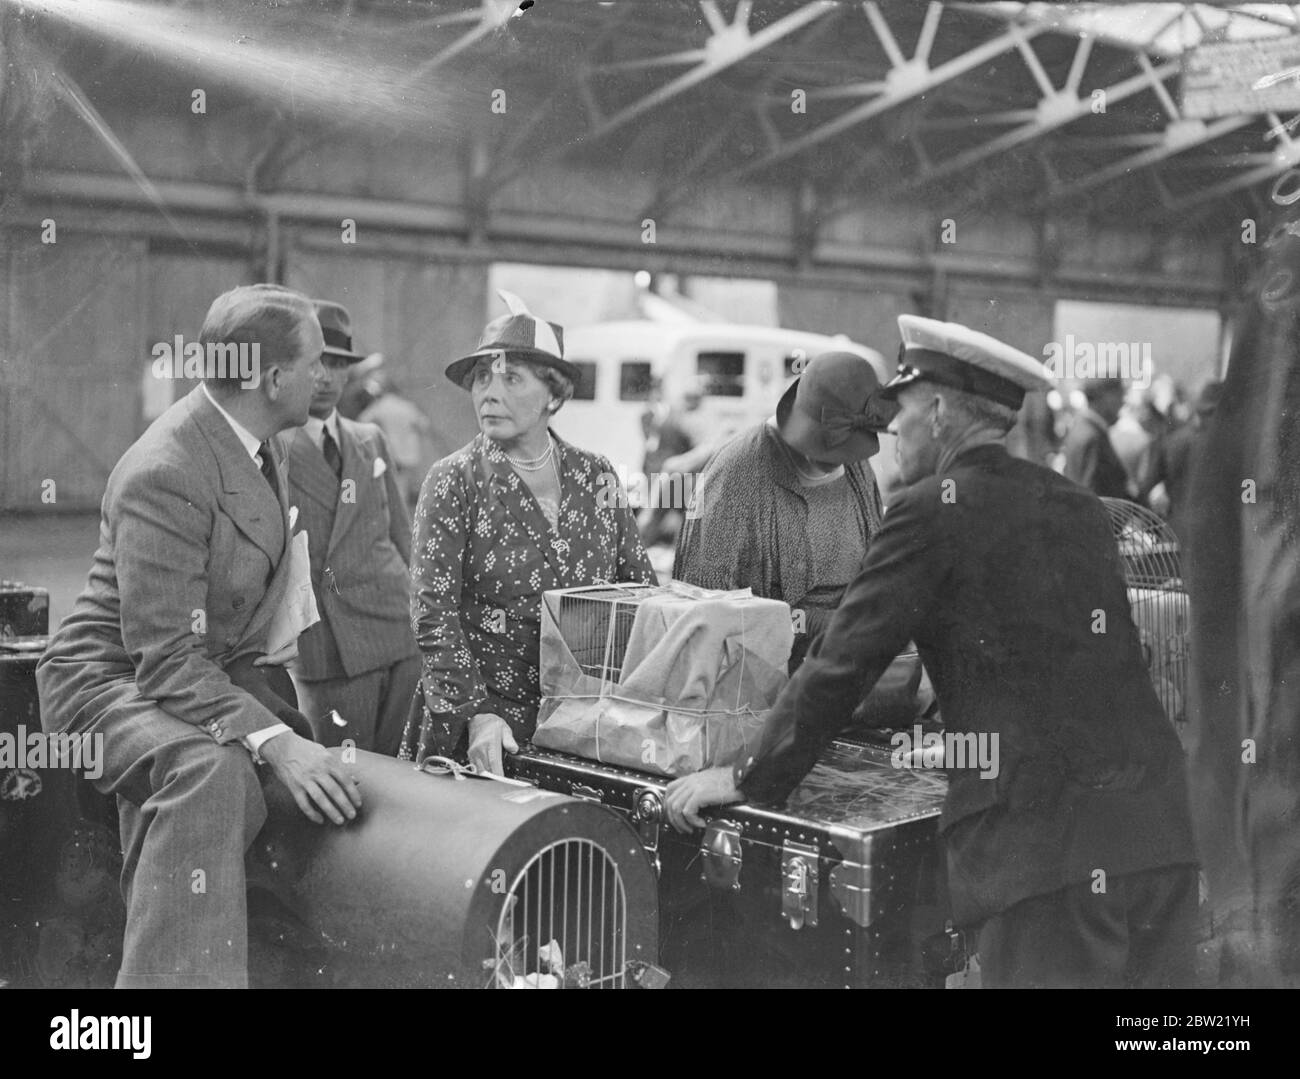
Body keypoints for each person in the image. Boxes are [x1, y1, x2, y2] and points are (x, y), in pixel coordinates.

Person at [664, 314, 1198, 989]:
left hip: (1049, 858)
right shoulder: (1077, 504)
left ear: (941, 411)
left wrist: (744, 775)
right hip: (1159, 836)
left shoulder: (927, 509)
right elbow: (1066, 657)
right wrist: (964, 732)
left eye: (903, 415)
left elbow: (840, 664)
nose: (892, 437)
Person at [35, 284, 362, 989]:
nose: (326, 379)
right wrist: (275, 745)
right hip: (111, 680)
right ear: (272, 379)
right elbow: (166, 659)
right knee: (211, 771)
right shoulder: (170, 469)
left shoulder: (255, 443)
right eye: (315, 364)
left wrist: (289, 737)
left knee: (311, 753)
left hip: (196, 671)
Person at [400, 291, 654, 775]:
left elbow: (639, 592)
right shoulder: (455, 480)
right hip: (485, 731)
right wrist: (476, 716)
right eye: (481, 378)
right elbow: (432, 614)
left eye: (511, 378)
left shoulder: (594, 474)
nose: (488, 393)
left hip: (583, 726)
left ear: (554, 395)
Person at [673, 351, 891, 670]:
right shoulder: (739, 473)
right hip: (763, 677)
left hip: (846, 663)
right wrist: (823, 625)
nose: (837, 461)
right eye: (826, 452)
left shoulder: (857, 468)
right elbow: (702, 609)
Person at [278, 300, 420, 756]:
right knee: (346, 780)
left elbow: (402, 535)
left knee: (403, 773)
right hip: (331, 645)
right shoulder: (272, 447)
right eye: (316, 363)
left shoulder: (368, 438)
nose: (325, 376)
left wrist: (424, 614)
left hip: (397, 628)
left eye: (337, 364)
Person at [1140, 379, 1223, 546]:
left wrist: (1152, 529)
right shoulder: (1232, 444)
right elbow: (1248, 485)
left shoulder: (1171, 442)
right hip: (1218, 535)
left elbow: (1146, 490)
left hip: (1176, 534)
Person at [358, 367, 435, 514]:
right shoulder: (406, 406)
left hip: (391, 453)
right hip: (409, 454)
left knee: (393, 488)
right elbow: (424, 425)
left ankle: (397, 519)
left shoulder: (379, 407)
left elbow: (361, 422)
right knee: (402, 488)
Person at [1062, 376, 1132, 499]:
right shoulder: (1091, 437)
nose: (1123, 402)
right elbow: (1090, 498)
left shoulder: (1083, 429)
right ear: (1104, 397)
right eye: (1119, 395)